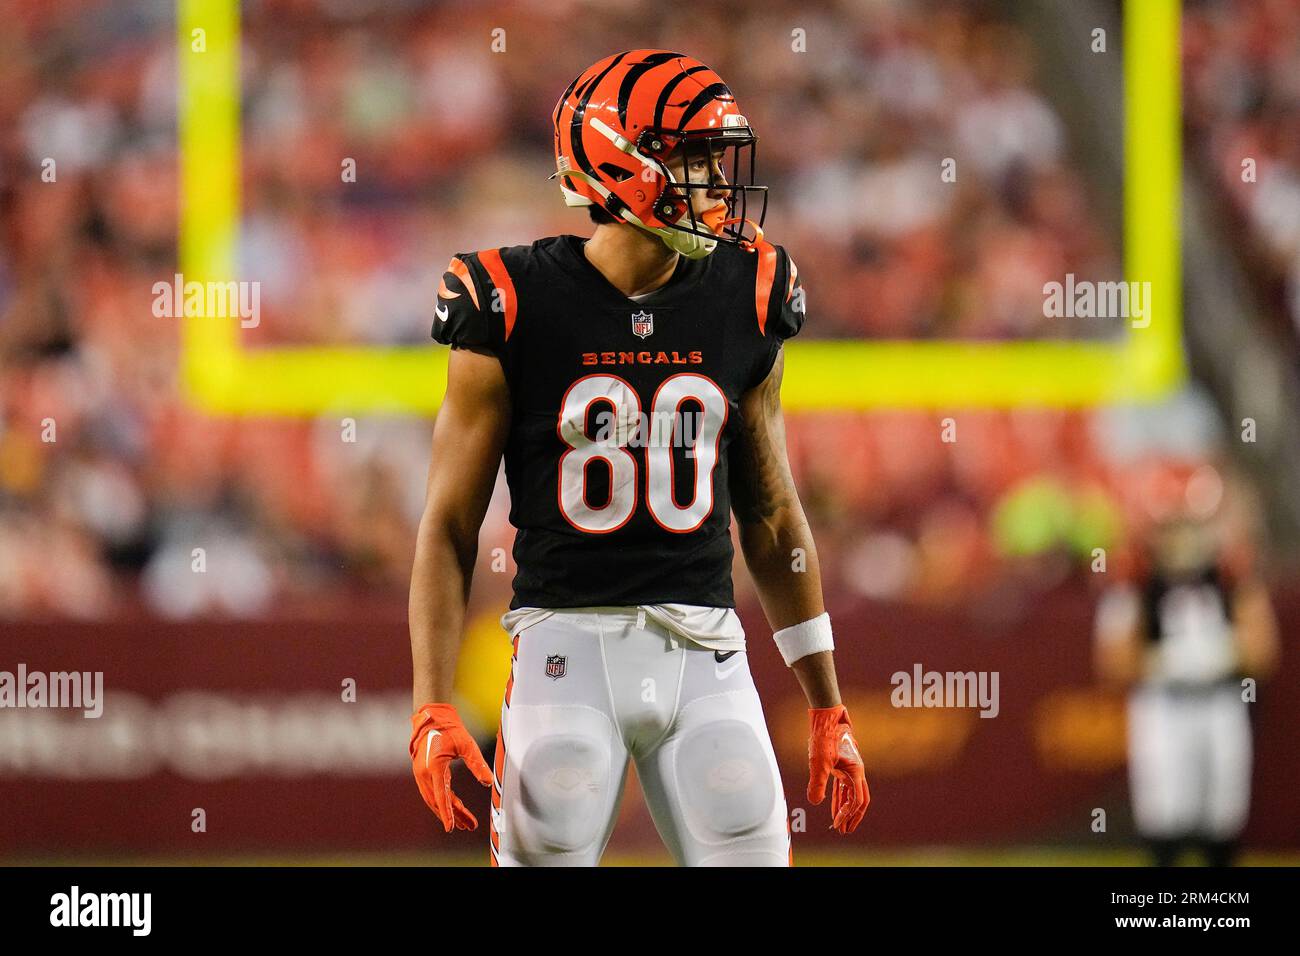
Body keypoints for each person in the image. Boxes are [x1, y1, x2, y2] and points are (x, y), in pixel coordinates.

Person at [408, 49, 868, 866]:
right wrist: (431, 702)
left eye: (715, 158)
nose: (717, 183)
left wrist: (826, 702)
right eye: (693, 157)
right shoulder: (510, 301)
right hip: (562, 654)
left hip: (708, 650)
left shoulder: (751, 287)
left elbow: (769, 511)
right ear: (624, 164)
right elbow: (448, 524)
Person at [1094, 463, 1280, 866]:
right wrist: (1166, 662)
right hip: (1164, 706)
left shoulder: (1232, 582)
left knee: (1223, 811)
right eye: (1173, 527)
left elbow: (1263, 652)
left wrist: (1223, 656)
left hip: (1220, 703)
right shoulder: (1136, 587)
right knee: (1166, 811)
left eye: (1191, 525)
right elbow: (1114, 662)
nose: (1184, 540)